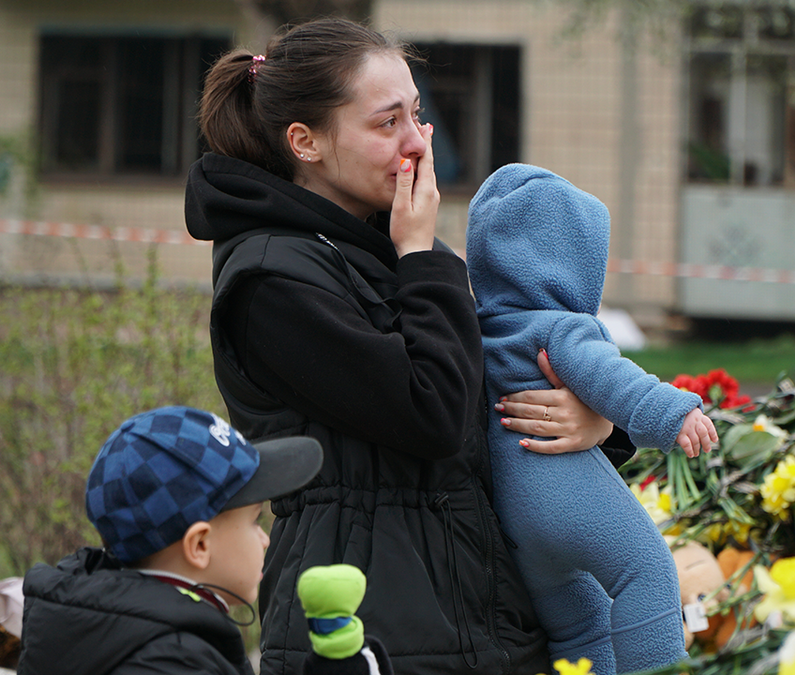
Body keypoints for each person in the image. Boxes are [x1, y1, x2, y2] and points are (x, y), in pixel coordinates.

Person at [185, 17, 637, 675]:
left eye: (417, 116)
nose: (417, 143)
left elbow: (496, 377)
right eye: (386, 123)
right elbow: (435, 415)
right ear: (305, 142)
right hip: (370, 629)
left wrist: (595, 422)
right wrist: (422, 256)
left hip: (476, 614)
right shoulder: (271, 280)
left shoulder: (388, 243)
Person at [466, 164, 717, 672]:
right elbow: (610, 378)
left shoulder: (477, 333)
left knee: (581, 622)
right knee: (646, 573)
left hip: (514, 516)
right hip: (566, 497)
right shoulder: (562, 329)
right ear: (569, 264)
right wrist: (672, 412)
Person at [16, 406, 323, 675]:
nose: (265, 539)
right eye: (255, 520)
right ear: (199, 545)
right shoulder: (174, 662)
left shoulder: (117, 635)